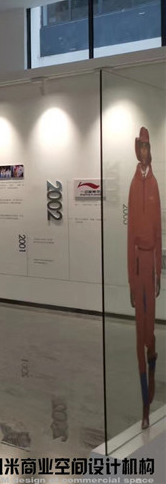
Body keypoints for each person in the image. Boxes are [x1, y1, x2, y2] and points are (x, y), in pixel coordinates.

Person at [127, 126, 161, 429]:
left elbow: (159, 231)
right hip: (138, 263)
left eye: (146, 147)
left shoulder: (154, 184)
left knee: (149, 327)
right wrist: (130, 278)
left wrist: (158, 270)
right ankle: (144, 405)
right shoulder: (133, 183)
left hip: (150, 265)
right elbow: (129, 235)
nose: (143, 151)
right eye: (140, 147)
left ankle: (153, 361)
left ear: (150, 150)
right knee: (139, 329)